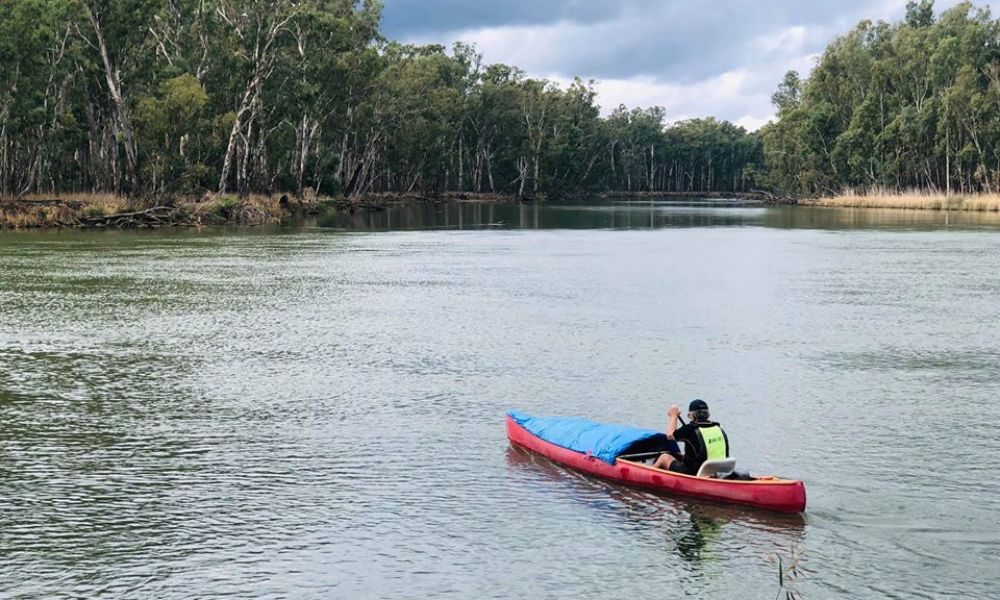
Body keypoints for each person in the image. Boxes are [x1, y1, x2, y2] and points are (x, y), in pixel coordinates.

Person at [652, 399, 729, 476]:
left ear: (693, 415)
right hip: (716, 469)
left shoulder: (690, 429)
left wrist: (673, 415)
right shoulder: (718, 428)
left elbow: (670, 435)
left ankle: (651, 475)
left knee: (664, 457)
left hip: (693, 472)